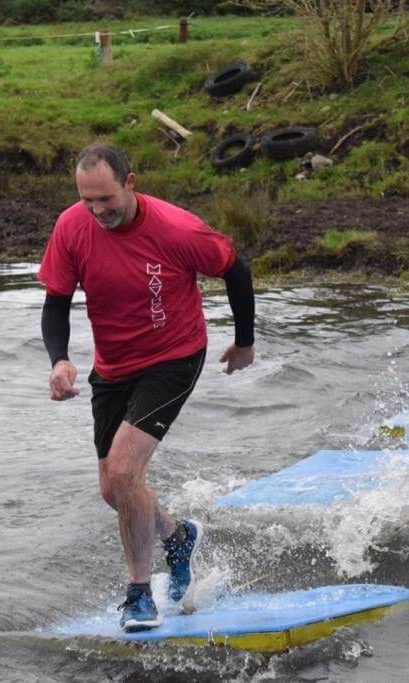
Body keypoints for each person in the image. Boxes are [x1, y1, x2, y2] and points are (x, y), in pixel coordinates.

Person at [38, 142, 255, 632]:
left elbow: (235, 269)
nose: (96, 212)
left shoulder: (177, 229)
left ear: (130, 183)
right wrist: (60, 360)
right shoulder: (73, 227)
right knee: (113, 490)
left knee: (124, 469)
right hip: (113, 366)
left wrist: (244, 343)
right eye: (86, 200)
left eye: (106, 200)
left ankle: (139, 594)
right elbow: (56, 302)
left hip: (174, 357)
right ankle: (177, 538)